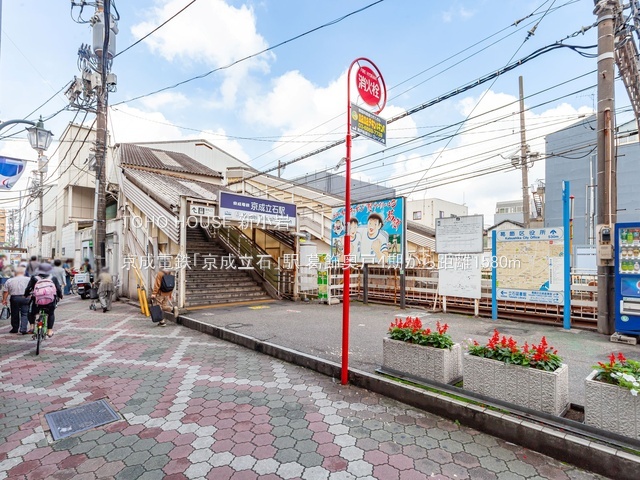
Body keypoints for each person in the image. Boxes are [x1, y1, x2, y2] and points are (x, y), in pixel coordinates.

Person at [24, 262, 63, 338]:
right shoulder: (53, 278)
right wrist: (60, 296)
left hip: (37, 302)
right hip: (50, 302)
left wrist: (26, 294)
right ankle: (49, 330)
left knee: (30, 311)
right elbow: (58, 289)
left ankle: (32, 326)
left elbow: (28, 288)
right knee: (51, 314)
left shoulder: (34, 278)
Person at [2, 266, 31, 334]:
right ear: (23, 272)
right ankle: (23, 328)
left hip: (14, 298)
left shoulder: (10, 280)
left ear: (15, 273)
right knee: (25, 313)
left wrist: (4, 299)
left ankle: (15, 328)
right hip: (26, 297)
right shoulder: (28, 279)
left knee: (14, 313)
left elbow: (6, 291)